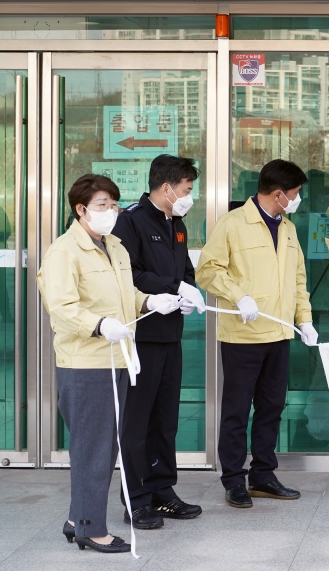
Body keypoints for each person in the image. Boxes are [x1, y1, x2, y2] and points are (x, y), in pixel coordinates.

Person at [36, 174, 180, 553]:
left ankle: (76, 518)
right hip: (85, 364)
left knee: (103, 445)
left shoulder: (114, 246)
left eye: (114, 204)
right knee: (94, 448)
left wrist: (150, 301)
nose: (111, 212)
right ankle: (90, 528)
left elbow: (126, 291)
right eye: (102, 205)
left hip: (116, 358)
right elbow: (62, 309)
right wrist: (99, 325)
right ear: (80, 209)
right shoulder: (64, 252)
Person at [196, 159, 319, 508]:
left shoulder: (289, 229)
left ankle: (263, 475)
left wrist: (304, 320)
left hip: (279, 334)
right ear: (278, 194)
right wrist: (239, 295)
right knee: (237, 410)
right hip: (243, 335)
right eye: (295, 194)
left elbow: (298, 280)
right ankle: (234, 480)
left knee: (271, 408)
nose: (297, 200)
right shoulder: (233, 224)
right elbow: (207, 270)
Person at [111, 155, 205, 529]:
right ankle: (136, 500)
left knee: (166, 420)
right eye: (186, 190)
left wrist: (187, 291)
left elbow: (184, 269)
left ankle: (163, 492)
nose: (189, 197)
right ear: (166, 188)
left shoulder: (176, 223)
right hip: (141, 336)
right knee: (138, 422)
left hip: (170, 337)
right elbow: (127, 272)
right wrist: (168, 288)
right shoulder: (130, 220)